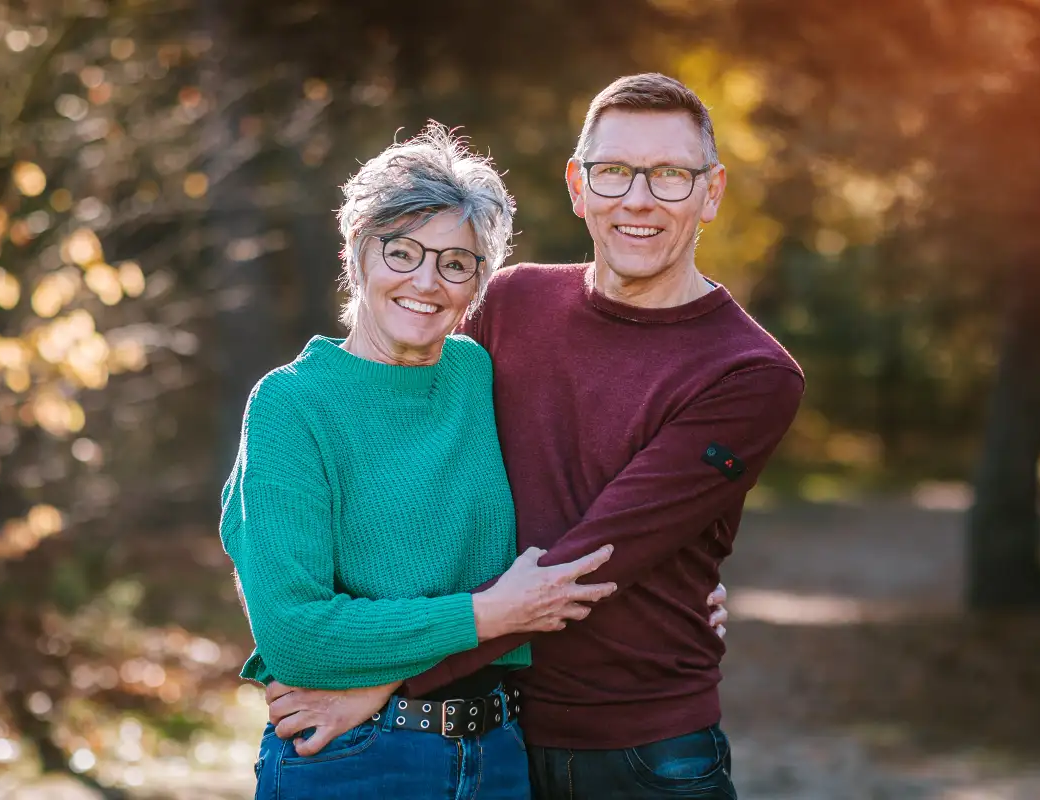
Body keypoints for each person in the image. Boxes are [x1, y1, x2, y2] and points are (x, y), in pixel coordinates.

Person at [267, 73, 804, 799]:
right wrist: (282, 581)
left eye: (671, 175)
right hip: (499, 737)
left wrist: (385, 684)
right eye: (614, 172)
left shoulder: (750, 372)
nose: (637, 199)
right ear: (578, 186)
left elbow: (598, 554)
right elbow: (391, 438)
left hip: (637, 746)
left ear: (711, 192)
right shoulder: (511, 303)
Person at [220, 123, 621, 800]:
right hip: (350, 761)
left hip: (500, 753)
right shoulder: (292, 405)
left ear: (479, 282)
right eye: (401, 251)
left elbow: (574, 505)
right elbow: (295, 636)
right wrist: (491, 613)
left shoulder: (478, 376)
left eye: (456, 263)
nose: (427, 281)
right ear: (356, 254)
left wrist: (686, 591)